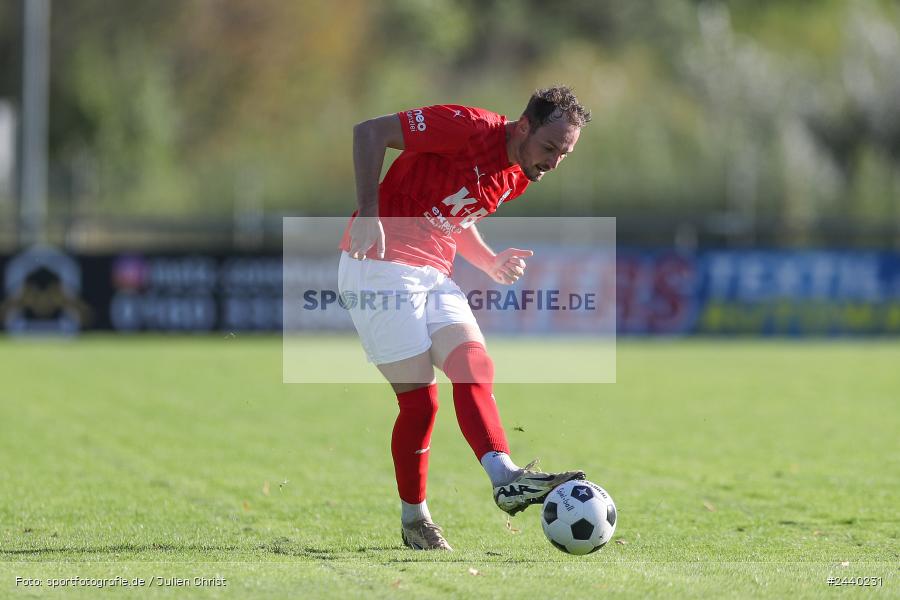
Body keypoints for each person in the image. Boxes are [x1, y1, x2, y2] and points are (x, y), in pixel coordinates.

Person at [338, 86, 591, 551]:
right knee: (421, 405)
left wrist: (490, 261)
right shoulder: (467, 127)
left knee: (474, 364)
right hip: (379, 263)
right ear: (523, 128)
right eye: (550, 147)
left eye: (565, 153)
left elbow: (456, 215)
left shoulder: (517, 173)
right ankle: (415, 520)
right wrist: (370, 213)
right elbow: (369, 132)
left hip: (432, 269)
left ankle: (505, 477)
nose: (554, 162)